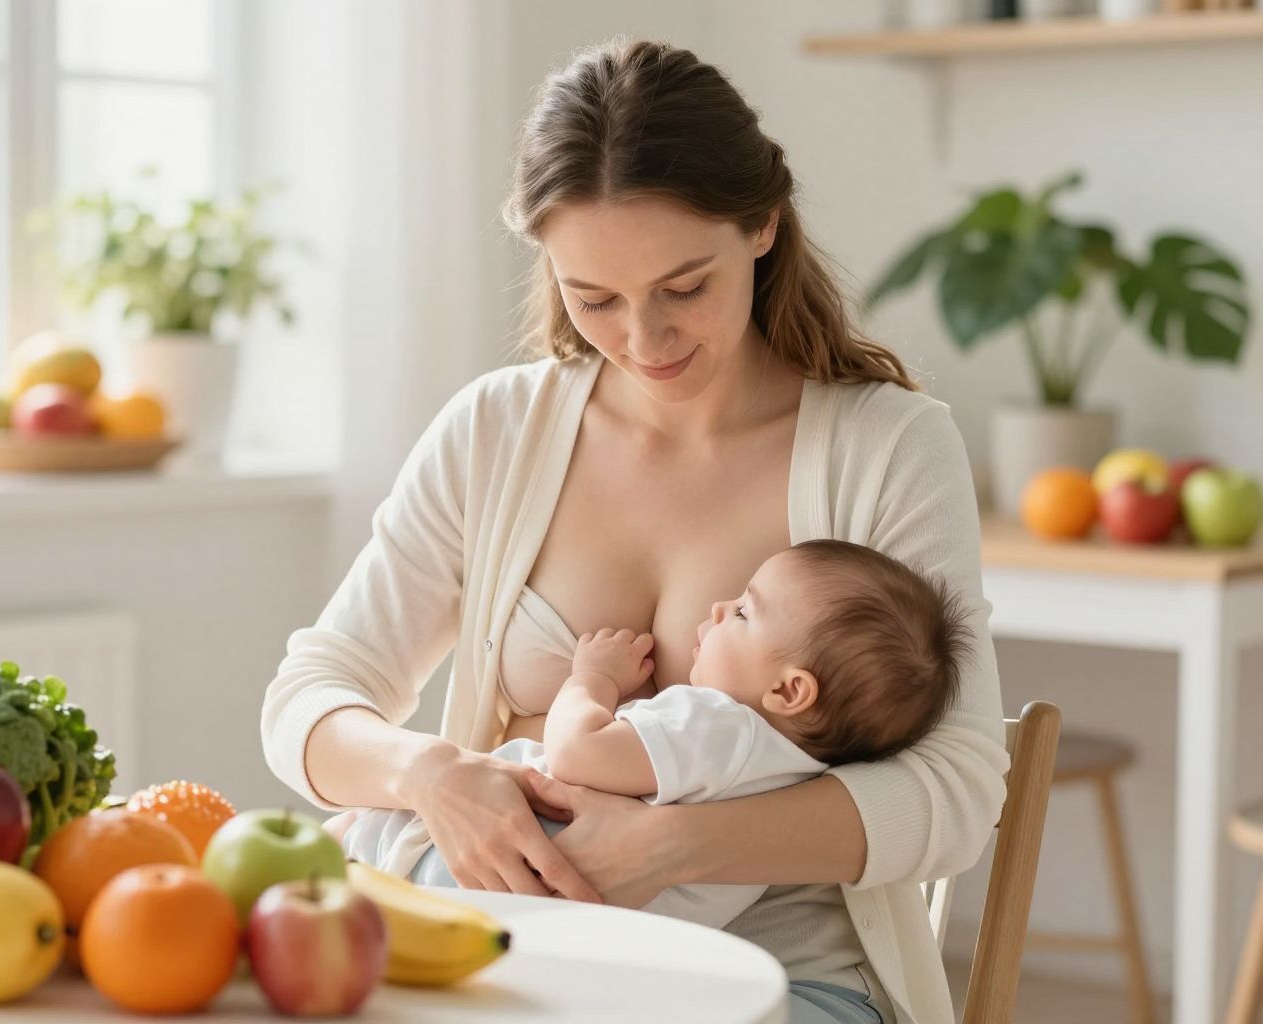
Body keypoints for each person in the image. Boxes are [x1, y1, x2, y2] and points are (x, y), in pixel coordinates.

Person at [261, 37, 1007, 1024]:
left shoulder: (889, 447)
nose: (643, 341)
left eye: (683, 288)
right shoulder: (495, 432)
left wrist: (677, 848)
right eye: (595, 299)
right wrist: (430, 774)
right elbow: (311, 696)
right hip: (508, 962)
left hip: (787, 979)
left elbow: (955, 794)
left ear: (762, 226)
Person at [330, 540, 968, 936]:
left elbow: (577, 753)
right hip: (588, 932)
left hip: (505, 872)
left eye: (744, 612)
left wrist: (592, 681)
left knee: (347, 849)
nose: (719, 609)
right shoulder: (796, 773)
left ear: (789, 690)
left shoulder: (717, 723)